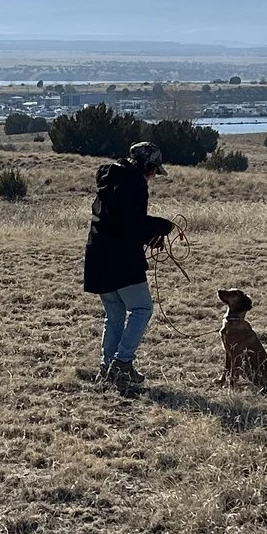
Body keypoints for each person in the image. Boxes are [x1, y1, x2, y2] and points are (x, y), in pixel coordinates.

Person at [82, 139, 176, 393]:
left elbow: (120, 221)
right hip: (120, 259)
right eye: (154, 170)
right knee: (142, 308)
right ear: (147, 166)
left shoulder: (109, 179)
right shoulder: (134, 183)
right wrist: (161, 227)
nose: (154, 176)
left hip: (98, 256)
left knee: (114, 313)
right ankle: (122, 363)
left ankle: (108, 366)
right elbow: (132, 224)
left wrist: (148, 234)